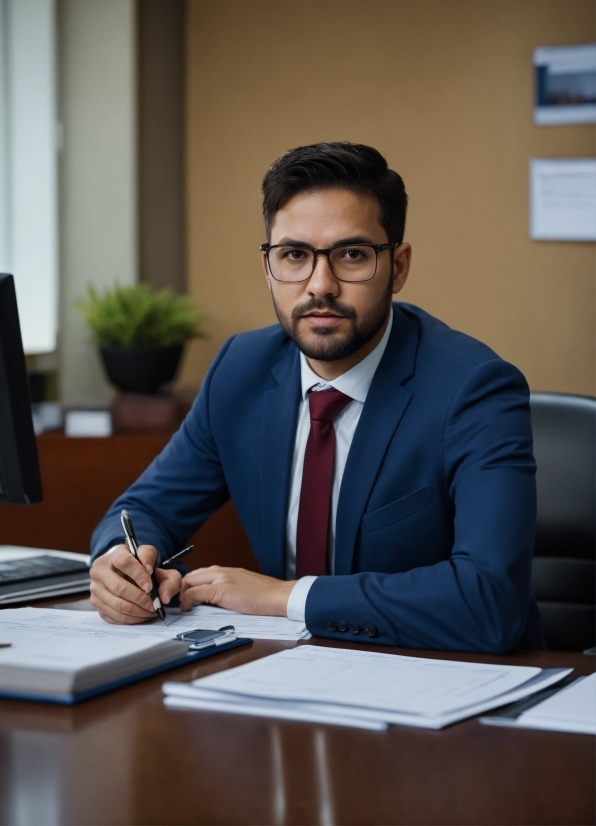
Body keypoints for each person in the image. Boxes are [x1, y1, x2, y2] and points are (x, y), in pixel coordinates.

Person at [90, 142, 543, 652]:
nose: (320, 285)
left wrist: (286, 598)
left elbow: (491, 602)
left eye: (352, 254)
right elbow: (143, 509)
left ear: (398, 266)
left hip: (445, 686)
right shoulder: (241, 369)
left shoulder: (475, 388)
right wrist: (122, 566)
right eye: (295, 255)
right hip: (288, 678)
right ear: (269, 267)